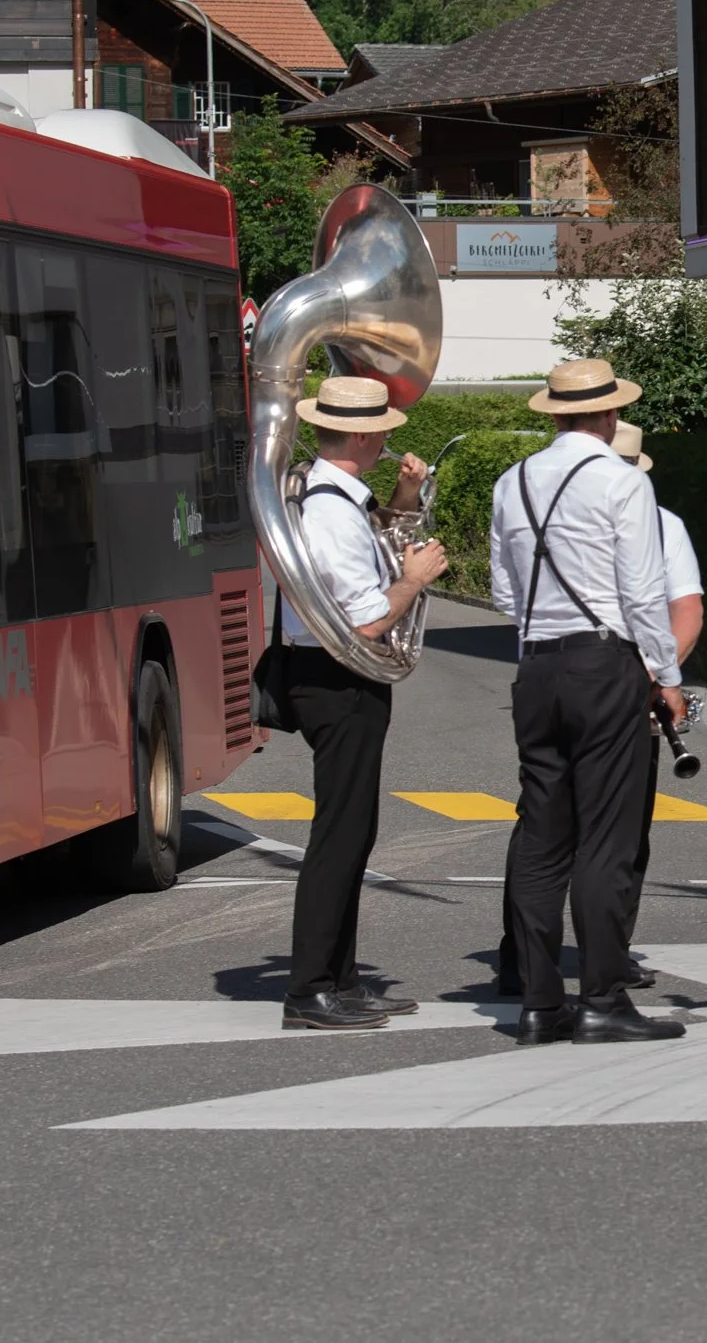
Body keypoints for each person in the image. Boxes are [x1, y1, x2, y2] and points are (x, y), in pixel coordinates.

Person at [490, 359, 689, 1047]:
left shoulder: (509, 483)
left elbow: (505, 595)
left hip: (536, 664)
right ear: (607, 417)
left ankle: (541, 1003)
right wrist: (665, 675)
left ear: (553, 414)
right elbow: (641, 592)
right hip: (604, 662)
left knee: (543, 837)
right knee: (605, 837)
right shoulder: (621, 481)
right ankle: (602, 996)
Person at [277, 378, 449, 1031]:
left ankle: (338, 981)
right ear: (359, 434)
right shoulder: (328, 507)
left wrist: (402, 502)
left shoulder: (331, 497)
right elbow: (368, 619)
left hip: (332, 675)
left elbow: (363, 557)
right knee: (340, 835)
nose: (387, 437)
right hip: (337, 677)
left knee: (351, 833)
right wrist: (414, 579)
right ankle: (312, 988)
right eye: (379, 426)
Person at [613, 419, 704, 983]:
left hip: (557, 677)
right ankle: (610, 956)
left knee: (545, 829)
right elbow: (686, 611)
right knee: (621, 832)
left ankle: (522, 960)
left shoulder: (541, 506)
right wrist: (659, 677)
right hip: (629, 681)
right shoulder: (659, 523)